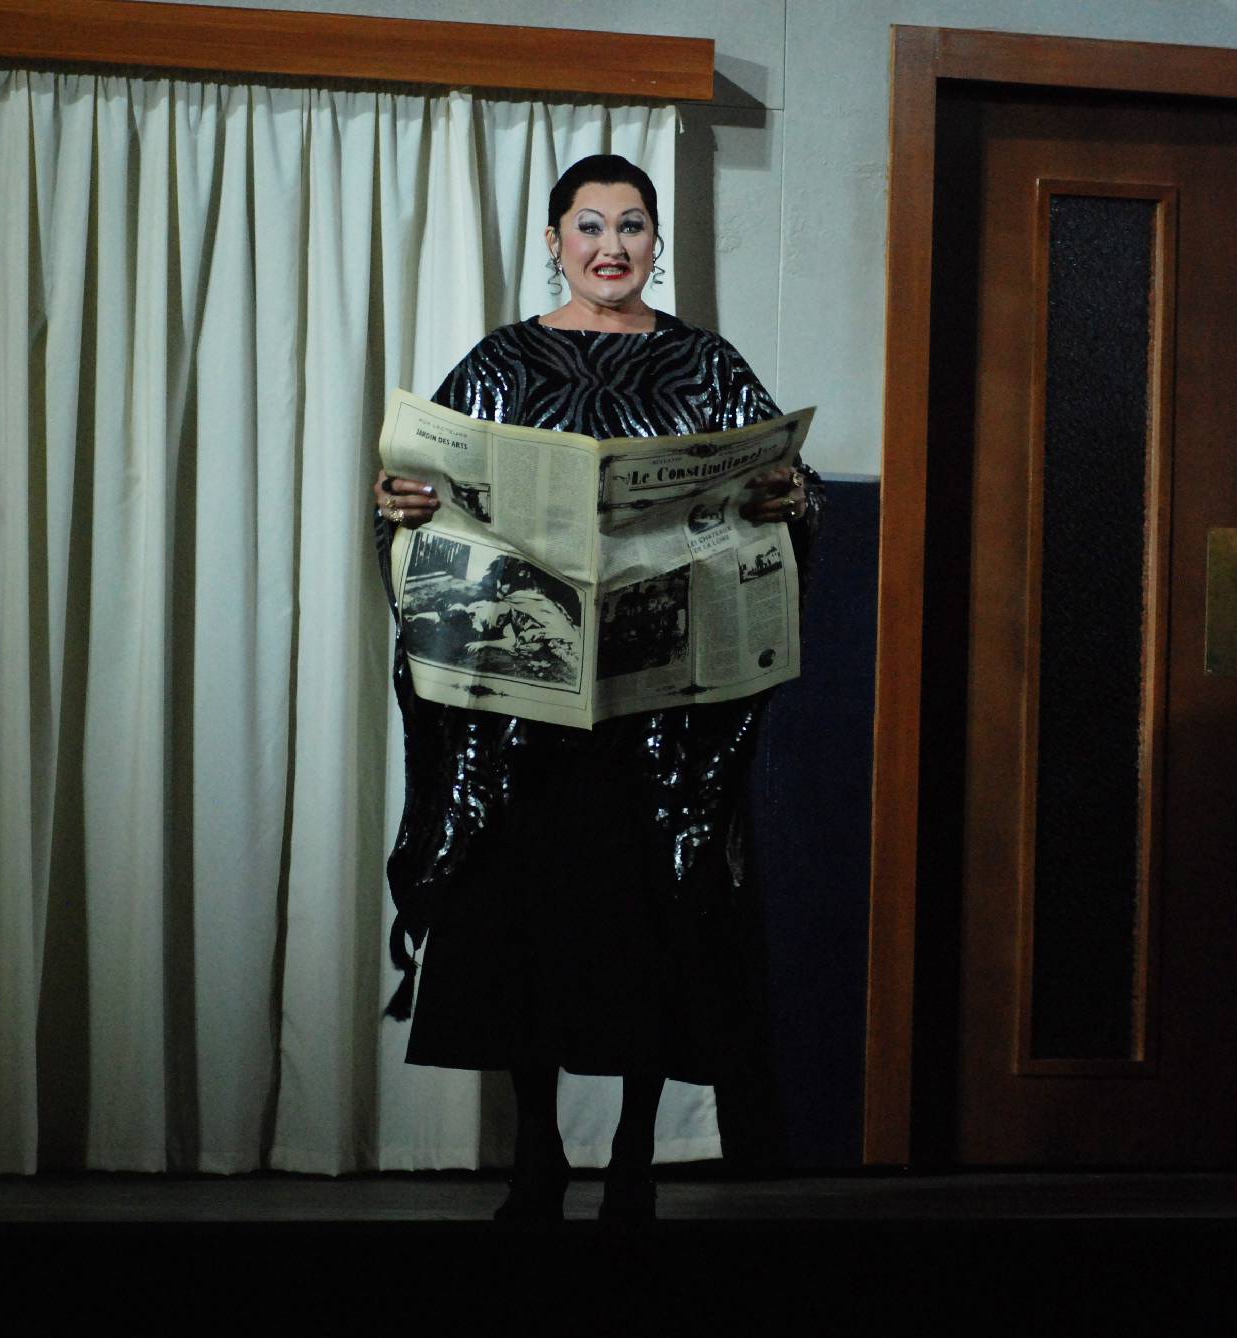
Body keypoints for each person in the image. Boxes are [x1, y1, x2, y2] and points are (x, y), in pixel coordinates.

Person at [370, 154, 821, 1224]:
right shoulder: (498, 361)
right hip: (522, 722)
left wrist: (791, 496)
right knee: (521, 921)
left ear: (655, 242)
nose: (610, 246)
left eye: (631, 226)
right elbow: (423, 504)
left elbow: (782, 502)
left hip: (660, 722)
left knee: (653, 920)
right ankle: (537, 1152)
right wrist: (398, 504)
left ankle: (632, 1157)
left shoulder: (707, 364)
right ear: (552, 241)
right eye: (588, 225)